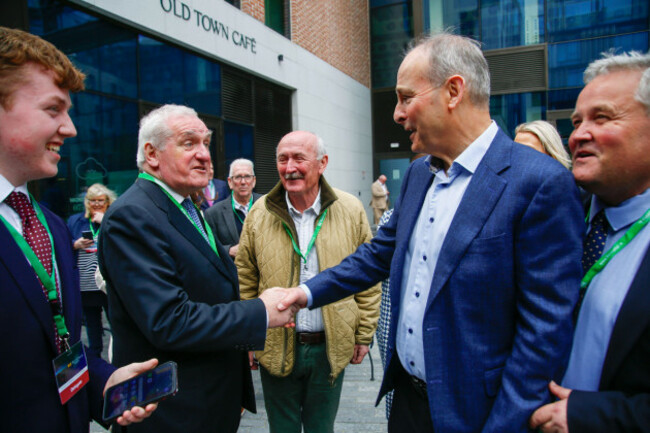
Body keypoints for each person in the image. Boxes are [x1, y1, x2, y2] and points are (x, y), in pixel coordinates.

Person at [275, 32, 584, 433]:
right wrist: (305, 293)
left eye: (406, 97)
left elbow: (543, 334)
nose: (397, 114)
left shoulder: (541, 183)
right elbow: (378, 255)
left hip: (477, 413)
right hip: (407, 403)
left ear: (453, 91)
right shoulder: (420, 173)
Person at [97, 104, 298, 433]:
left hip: (208, 402)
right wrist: (259, 313)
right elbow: (169, 321)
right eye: (189, 143)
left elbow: (203, 275)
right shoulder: (132, 216)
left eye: (206, 143)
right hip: (174, 413)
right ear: (151, 154)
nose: (205, 154)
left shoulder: (185, 205)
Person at [0, 26, 157, 433]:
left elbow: (56, 342)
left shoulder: (49, 225)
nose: (70, 129)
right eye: (53, 110)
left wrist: (105, 383)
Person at [530, 51, 650, 433]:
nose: (579, 134)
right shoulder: (554, 216)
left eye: (603, 117)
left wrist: (593, 417)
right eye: (576, 121)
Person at [236, 130, 380, 433]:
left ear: (322, 162)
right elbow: (246, 277)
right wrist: (247, 334)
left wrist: (364, 333)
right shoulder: (259, 213)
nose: (290, 167)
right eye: (282, 159)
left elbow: (368, 276)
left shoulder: (350, 209)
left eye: (299, 158)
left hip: (329, 347)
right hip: (274, 344)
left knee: (321, 428)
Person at [67, 183, 117, 358]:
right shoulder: (75, 220)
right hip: (85, 283)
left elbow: (121, 240)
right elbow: (65, 244)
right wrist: (76, 244)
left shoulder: (114, 217)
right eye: (92, 201)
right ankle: (96, 361)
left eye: (100, 200)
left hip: (107, 282)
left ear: (108, 201)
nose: (96, 204)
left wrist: (104, 221)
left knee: (116, 321)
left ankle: (117, 357)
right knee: (92, 324)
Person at [205, 158, 262, 258]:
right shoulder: (213, 213)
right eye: (238, 177)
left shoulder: (267, 205)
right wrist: (229, 250)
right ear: (230, 182)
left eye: (247, 177)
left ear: (254, 181)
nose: (243, 182)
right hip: (234, 270)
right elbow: (208, 247)